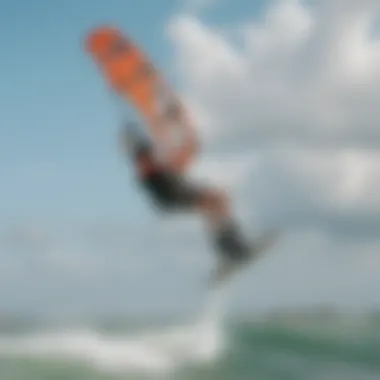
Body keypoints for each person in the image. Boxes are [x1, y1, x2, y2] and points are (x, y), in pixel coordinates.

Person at [119, 106, 255, 281]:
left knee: (216, 202)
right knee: (215, 201)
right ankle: (233, 249)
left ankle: (231, 249)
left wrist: (175, 131)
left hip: (171, 192)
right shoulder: (145, 160)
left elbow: (169, 162)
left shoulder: (146, 158)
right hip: (171, 193)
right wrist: (176, 131)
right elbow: (166, 165)